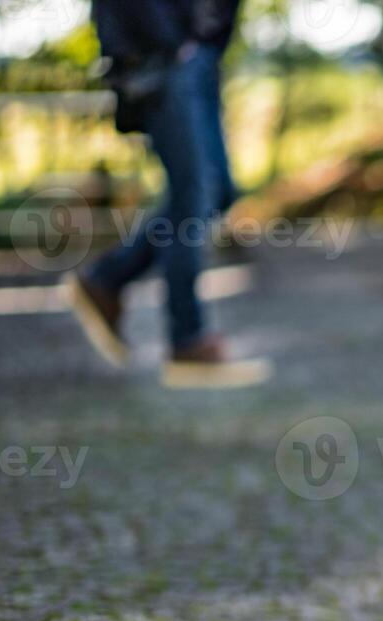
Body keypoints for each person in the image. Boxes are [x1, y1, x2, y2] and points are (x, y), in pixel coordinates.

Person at [66, 0, 269, 388]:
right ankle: (187, 339)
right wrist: (166, 42)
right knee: (193, 196)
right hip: (167, 55)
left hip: (200, 52)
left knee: (217, 192)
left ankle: (107, 280)